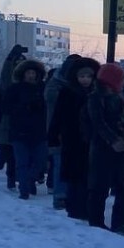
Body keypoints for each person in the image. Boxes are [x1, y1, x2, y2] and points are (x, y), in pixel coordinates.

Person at [85, 63, 124, 233]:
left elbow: (122, 121)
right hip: (103, 147)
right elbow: (98, 123)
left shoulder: (116, 95)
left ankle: (120, 222)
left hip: (120, 146)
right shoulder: (96, 98)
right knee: (100, 186)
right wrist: (114, 140)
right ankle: (96, 221)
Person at [48, 57, 100, 219]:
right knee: (73, 175)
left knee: (87, 176)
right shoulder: (67, 92)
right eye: (82, 76)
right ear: (75, 77)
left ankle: (84, 208)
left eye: (89, 76)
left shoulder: (96, 94)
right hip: (72, 139)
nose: (85, 80)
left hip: (91, 140)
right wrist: (53, 137)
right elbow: (57, 116)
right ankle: (74, 207)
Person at [0, 59, 48, 199]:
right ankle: (24, 189)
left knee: (40, 162)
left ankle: (28, 180)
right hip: (19, 131)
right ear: (23, 74)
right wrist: (23, 107)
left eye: (33, 73)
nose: (31, 75)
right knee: (22, 162)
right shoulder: (14, 89)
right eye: (28, 73)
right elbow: (5, 108)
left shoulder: (43, 88)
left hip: (40, 131)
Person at [45, 54, 82, 208]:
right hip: (60, 130)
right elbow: (51, 99)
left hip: (78, 131)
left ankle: (71, 195)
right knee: (60, 163)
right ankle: (60, 195)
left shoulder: (82, 85)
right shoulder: (56, 84)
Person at [0, 45, 29, 190]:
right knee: (8, 149)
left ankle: (15, 176)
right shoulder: (7, 83)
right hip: (6, 119)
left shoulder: (30, 82)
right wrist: (9, 58)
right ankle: (11, 176)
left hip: (24, 120)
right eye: (16, 62)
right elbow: (6, 74)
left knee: (16, 151)